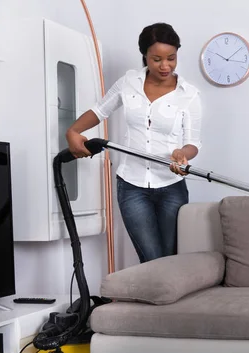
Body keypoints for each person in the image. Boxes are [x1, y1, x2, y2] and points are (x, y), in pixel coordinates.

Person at [65, 22, 202, 263]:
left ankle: (168, 301)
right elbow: (99, 111)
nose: (165, 66)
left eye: (171, 58)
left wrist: (183, 153)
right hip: (131, 186)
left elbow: (193, 142)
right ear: (145, 56)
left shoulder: (188, 94)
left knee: (170, 260)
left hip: (171, 186)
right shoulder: (128, 82)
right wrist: (74, 131)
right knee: (150, 261)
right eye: (156, 59)